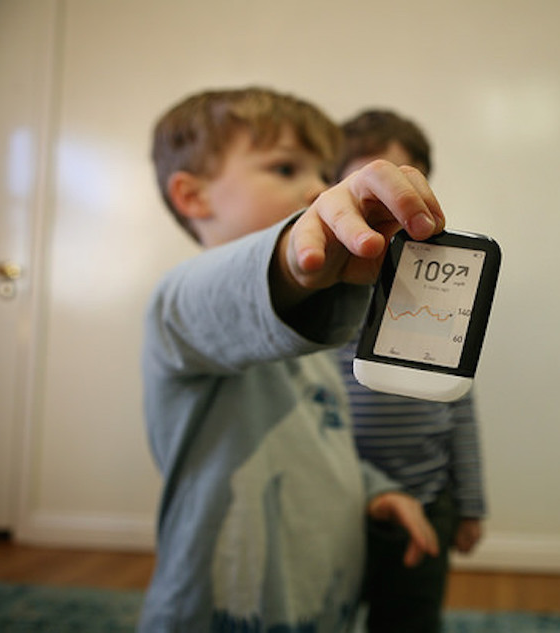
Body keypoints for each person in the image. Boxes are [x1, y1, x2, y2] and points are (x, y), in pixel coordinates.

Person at [140, 87, 444, 632]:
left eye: (322, 171)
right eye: (285, 168)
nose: (315, 187)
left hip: (319, 605)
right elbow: (240, 282)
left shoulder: (313, 343)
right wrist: (292, 257)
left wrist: (377, 491)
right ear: (193, 196)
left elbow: (320, 449)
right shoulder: (178, 310)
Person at [333, 109, 486, 633]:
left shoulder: (438, 298)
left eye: (404, 181)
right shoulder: (321, 306)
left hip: (429, 499)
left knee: (412, 619)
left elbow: (460, 409)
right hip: (340, 507)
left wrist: (469, 505)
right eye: (370, 185)